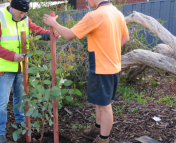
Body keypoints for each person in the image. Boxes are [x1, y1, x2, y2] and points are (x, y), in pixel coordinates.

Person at [43, 0, 129, 142]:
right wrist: (110, 49)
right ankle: (97, 128)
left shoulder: (94, 16)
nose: (87, 1)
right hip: (113, 66)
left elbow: (69, 34)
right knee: (99, 102)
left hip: (102, 67)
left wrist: (53, 23)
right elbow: (125, 38)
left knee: (105, 106)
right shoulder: (117, 13)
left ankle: (103, 139)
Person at [0, 0, 60, 143]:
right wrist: (12, 56)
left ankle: (21, 123)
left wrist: (53, 33)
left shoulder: (25, 19)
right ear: (12, 8)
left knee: (20, 98)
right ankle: (0, 133)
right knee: (2, 102)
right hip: (6, 68)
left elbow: (38, 31)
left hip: (22, 67)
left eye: (25, 12)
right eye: (21, 12)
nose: (23, 15)